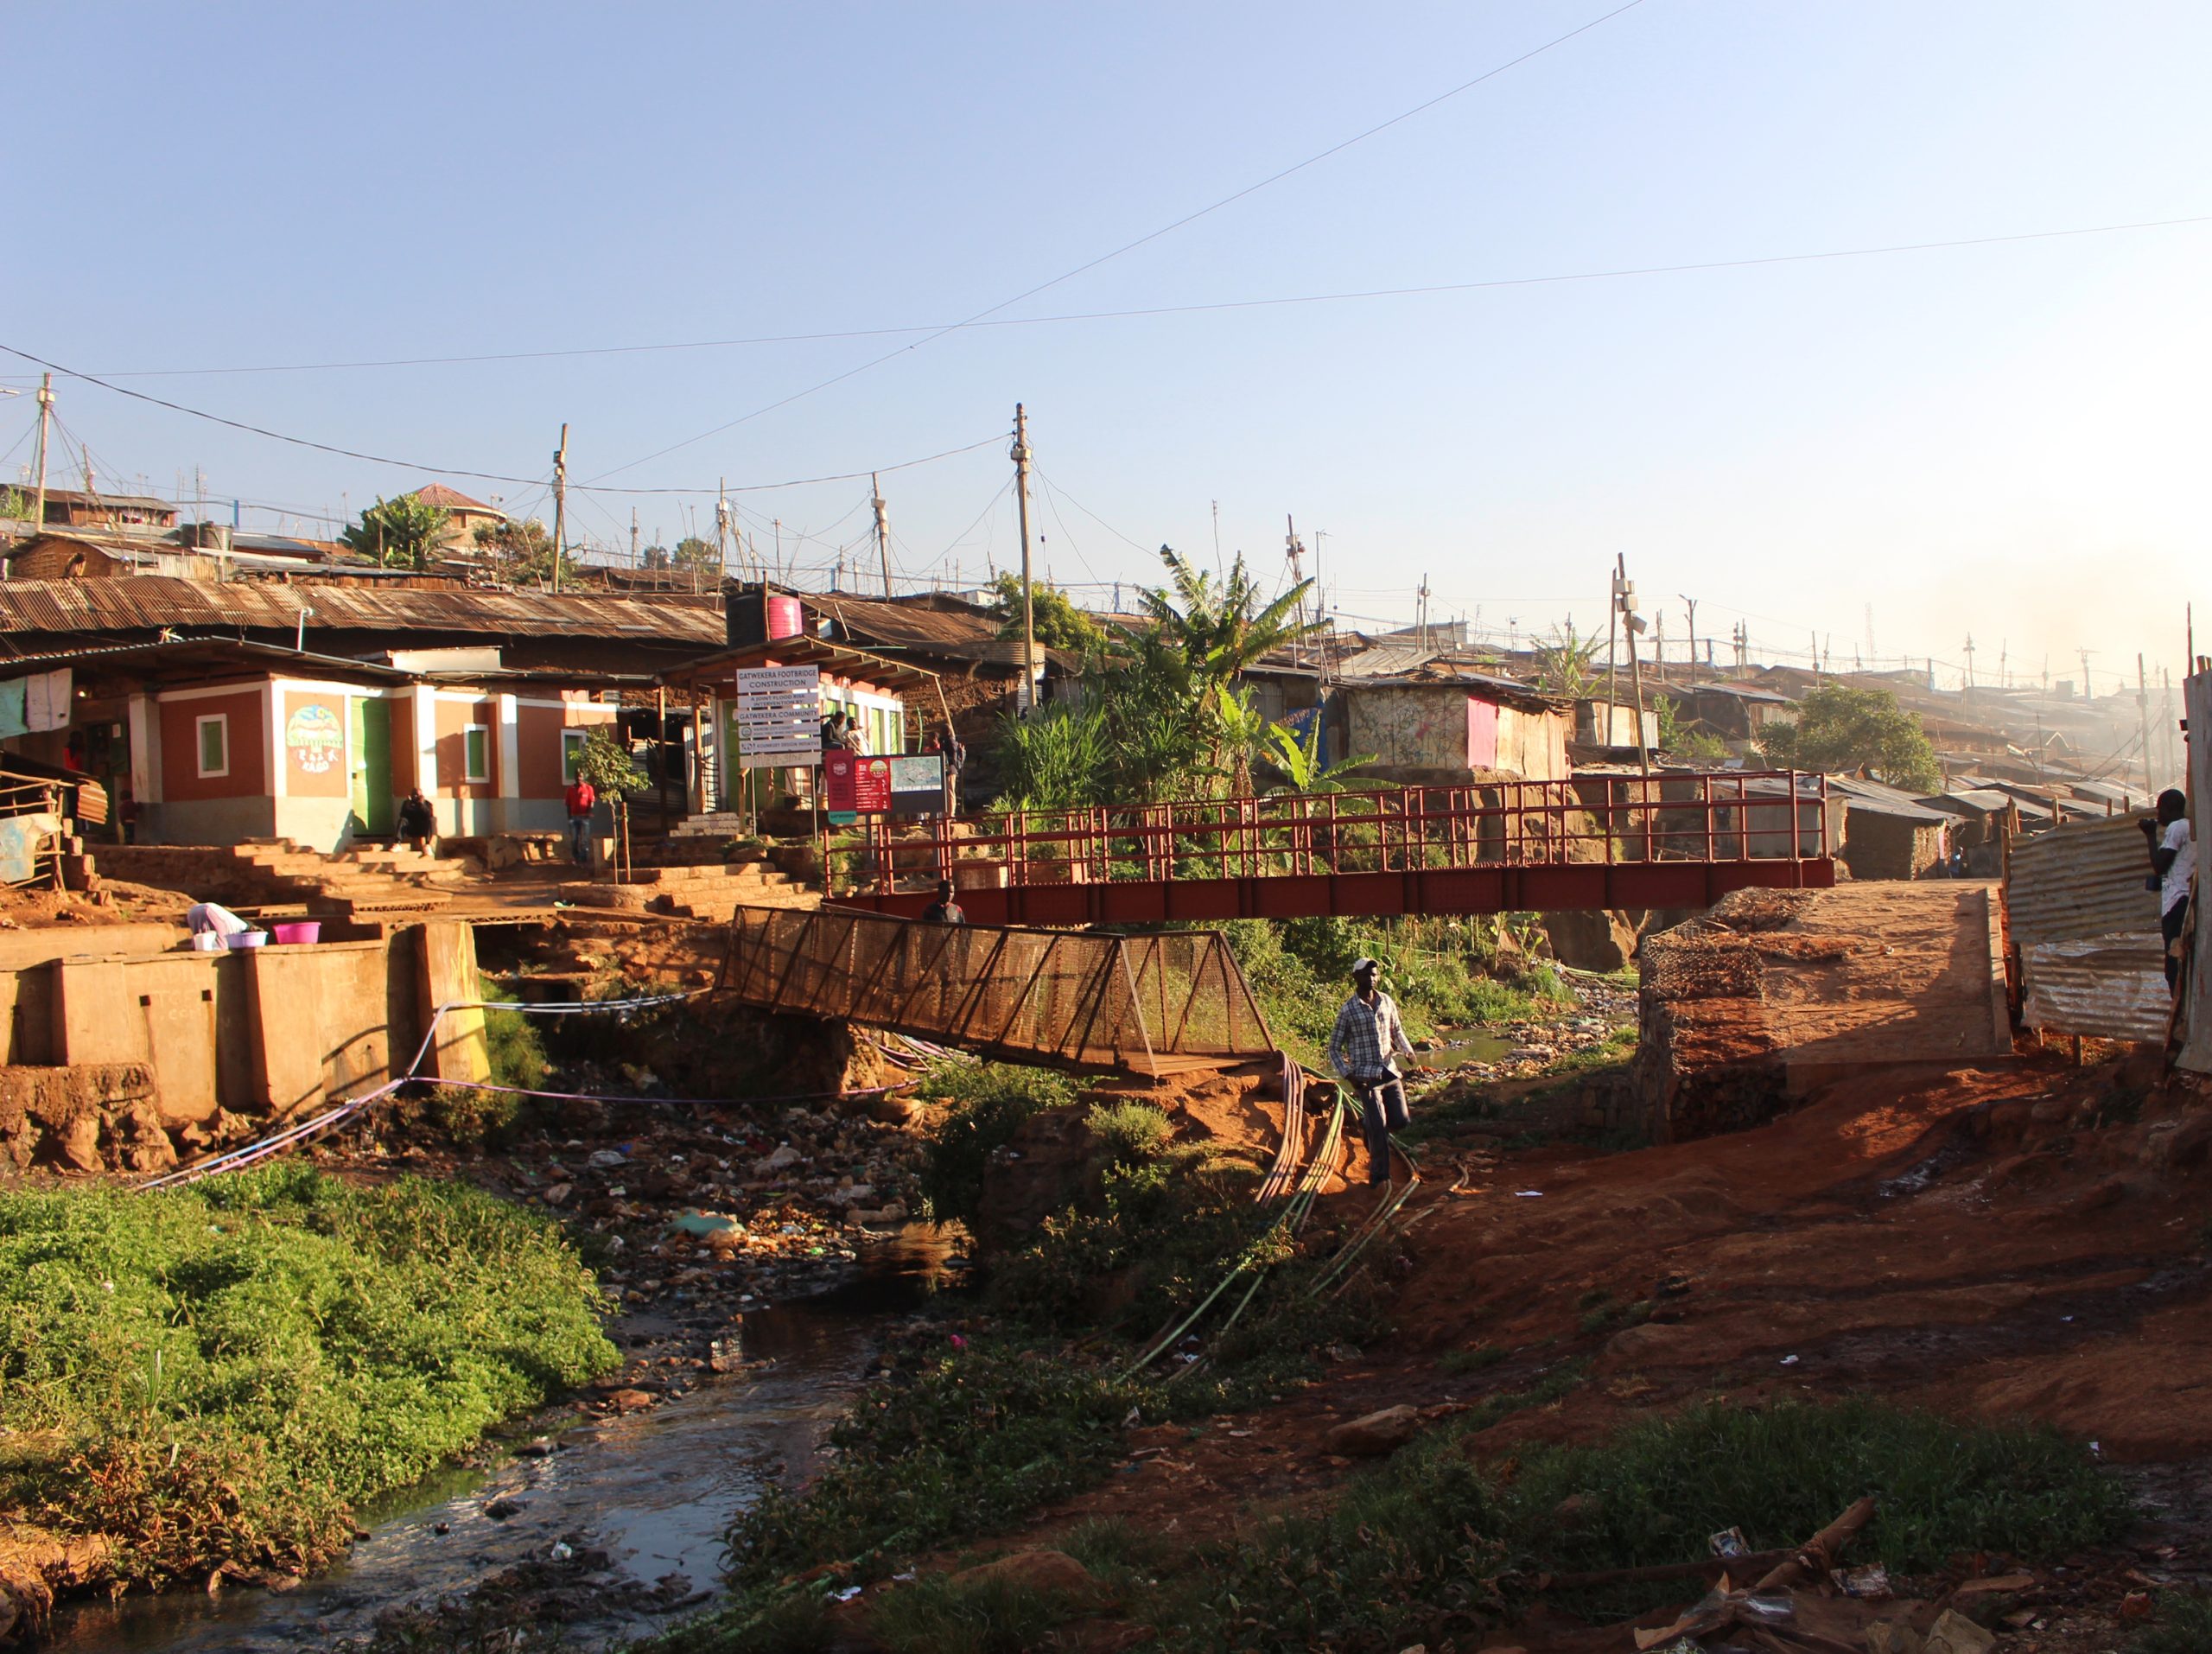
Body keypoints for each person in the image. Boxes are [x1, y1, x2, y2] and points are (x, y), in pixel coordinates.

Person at [1326, 957, 1420, 1186]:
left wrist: (1408, 1051)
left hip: (1389, 1070)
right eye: (1367, 975)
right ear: (1355, 977)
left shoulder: (1386, 1001)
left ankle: (1368, 1128)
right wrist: (1348, 1075)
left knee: (1400, 1120)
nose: (1371, 978)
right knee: (1379, 1126)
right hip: (1365, 1076)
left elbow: (1397, 1030)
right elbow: (1333, 1048)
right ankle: (1380, 1177)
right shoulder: (1348, 1010)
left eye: (1375, 974)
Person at [2141, 788, 2194, 990]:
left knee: (2174, 970)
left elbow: (2160, 865)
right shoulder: (2190, 828)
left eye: (2160, 809)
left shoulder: (2177, 828)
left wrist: (2150, 835)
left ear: (2169, 808)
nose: (2158, 814)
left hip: (2177, 903)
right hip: (2186, 900)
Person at [564, 774, 597, 867]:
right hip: (574, 817)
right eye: (577, 777)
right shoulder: (570, 789)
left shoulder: (588, 788)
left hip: (584, 817)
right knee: (574, 840)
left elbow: (591, 802)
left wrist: (589, 814)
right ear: (575, 778)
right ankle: (576, 858)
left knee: (584, 840)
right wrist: (569, 818)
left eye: (581, 777)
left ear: (584, 778)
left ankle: (583, 860)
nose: (579, 779)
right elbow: (568, 804)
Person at [397, 786, 435, 854]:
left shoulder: (427, 804)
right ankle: (397, 843)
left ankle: (427, 845)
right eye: (413, 794)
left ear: (421, 796)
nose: (415, 796)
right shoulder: (407, 803)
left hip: (422, 829)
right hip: (411, 829)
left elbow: (429, 815)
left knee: (431, 820)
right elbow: (403, 815)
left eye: (417, 795)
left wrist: (422, 805)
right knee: (402, 820)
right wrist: (408, 805)